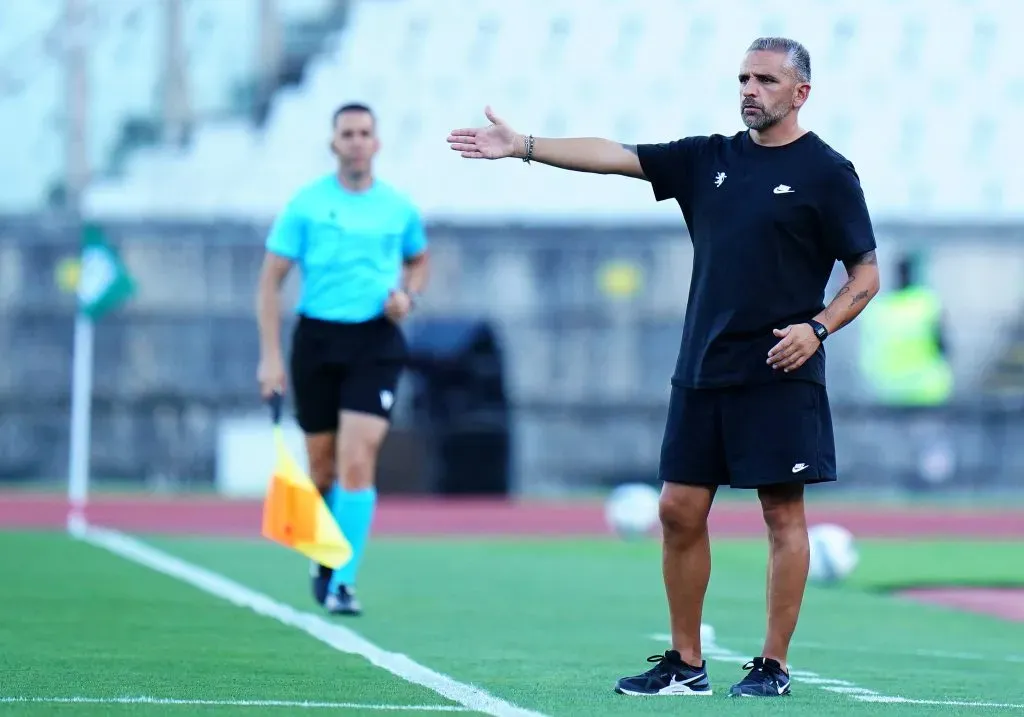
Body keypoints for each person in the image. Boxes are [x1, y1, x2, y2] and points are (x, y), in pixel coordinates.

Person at [447, 37, 880, 697]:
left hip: (779, 371)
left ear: (801, 93)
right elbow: (615, 156)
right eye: (743, 77)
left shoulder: (827, 171)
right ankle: (687, 661)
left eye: (765, 79)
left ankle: (773, 663)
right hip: (702, 367)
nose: (749, 90)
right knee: (678, 508)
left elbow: (866, 274)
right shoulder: (708, 158)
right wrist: (525, 145)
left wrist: (817, 329)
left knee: (781, 516)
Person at [256, 102, 430, 616]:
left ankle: (343, 582)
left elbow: (418, 261)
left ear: (377, 143)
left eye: (364, 133)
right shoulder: (306, 205)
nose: (356, 141)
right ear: (333, 143)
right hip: (317, 341)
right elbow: (270, 283)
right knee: (323, 469)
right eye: (347, 133)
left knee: (359, 461)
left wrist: (409, 297)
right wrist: (270, 359)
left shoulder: (398, 207)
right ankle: (324, 556)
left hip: (375, 342)